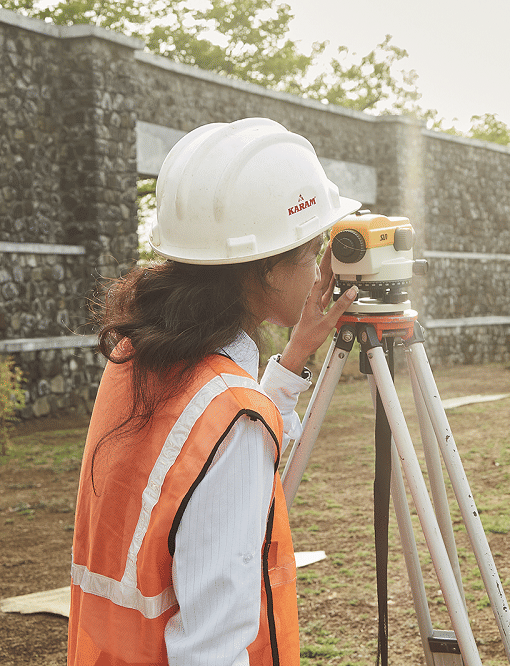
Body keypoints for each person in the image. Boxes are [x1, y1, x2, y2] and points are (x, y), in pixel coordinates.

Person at [68, 118, 362, 665]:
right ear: (268, 270)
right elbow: (212, 647)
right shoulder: (232, 419)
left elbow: (195, 469)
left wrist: (295, 357)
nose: (324, 266)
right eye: (313, 249)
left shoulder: (138, 359)